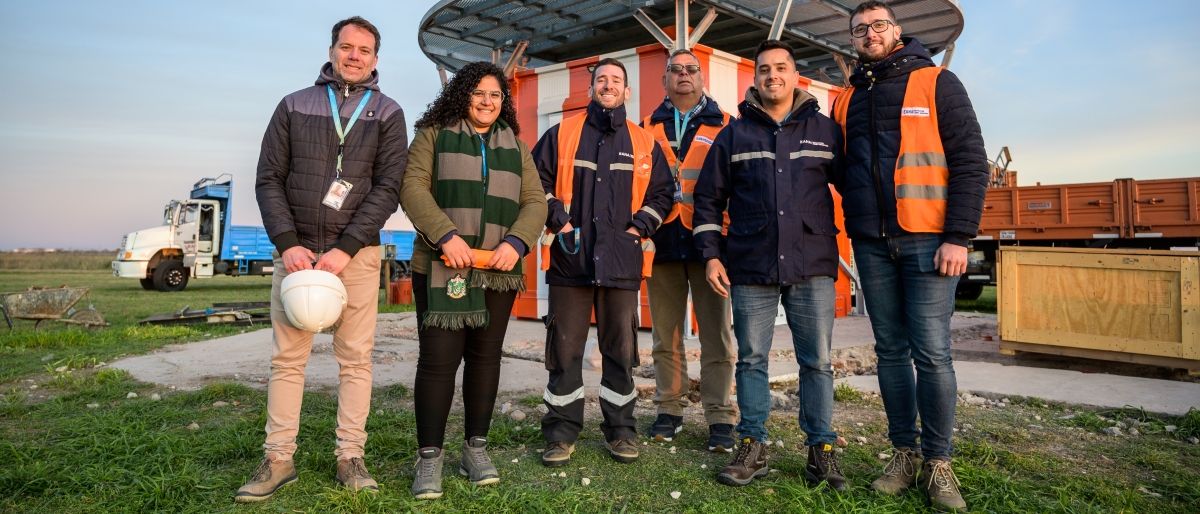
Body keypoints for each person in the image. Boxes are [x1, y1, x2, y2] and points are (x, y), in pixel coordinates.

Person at [237, 16, 406, 503]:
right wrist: (288, 242)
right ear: (332, 50)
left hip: (355, 256)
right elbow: (269, 178)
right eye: (347, 47)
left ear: (376, 59)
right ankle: (278, 458)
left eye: (365, 50)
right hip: (297, 254)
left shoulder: (389, 112)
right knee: (288, 359)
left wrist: (345, 248)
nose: (355, 56)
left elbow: (388, 187)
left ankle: (350, 456)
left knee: (355, 360)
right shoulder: (293, 105)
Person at [830, 2, 988, 511]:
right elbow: (840, 168)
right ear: (853, 39)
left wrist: (958, 236)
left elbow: (970, 163)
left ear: (897, 31)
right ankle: (904, 452)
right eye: (860, 29)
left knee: (933, 352)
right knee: (890, 351)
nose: (869, 34)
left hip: (928, 240)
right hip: (872, 242)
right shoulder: (846, 98)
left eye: (878, 26)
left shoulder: (937, 82)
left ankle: (938, 462)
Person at [693, 40, 846, 490]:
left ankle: (822, 449)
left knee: (817, 361)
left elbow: (854, 188)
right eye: (764, 69)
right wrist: (711, 255)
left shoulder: (824, 130)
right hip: (751, 262)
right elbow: (707, 200)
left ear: (796, 75)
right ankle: (752, 445)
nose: (772, 75)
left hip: (813, 263)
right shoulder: (734, 134)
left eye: (781, 68)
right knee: (752, 359)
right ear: (754, 78)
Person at [399, 61, 547, 500]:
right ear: (462, 94)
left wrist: (517, 244)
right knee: (438, 362)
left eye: (496, 95)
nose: (487, 102)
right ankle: (429, 458)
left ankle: (476, 449)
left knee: (486, 359)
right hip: (441, 265)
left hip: (497, 271)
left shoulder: (516, 147)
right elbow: (412, 187)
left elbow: (535, 201)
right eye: (479, 93)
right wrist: (445, 236)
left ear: (504, 101)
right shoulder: (432, 135)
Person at [534, 57, 674, 467]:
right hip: (569, 262)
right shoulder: (562, 134)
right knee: (564, 351)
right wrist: (558, 222)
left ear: (627, 92)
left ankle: (621, 431)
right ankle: (560, 433)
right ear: (591, 88)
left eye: (616, 80)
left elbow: (663, 194)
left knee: (620, 350)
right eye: (601, 80)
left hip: (622, 263)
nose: (608, 85)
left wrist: (637, 230)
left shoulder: (644, 142)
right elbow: (534, 179)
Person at [640, 49, 737, 452]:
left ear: (702, 78)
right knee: (666, 335)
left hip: (710, 245)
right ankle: (669, 410)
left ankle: (719, 416)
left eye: (691, 69)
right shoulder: (644, 126)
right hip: (661, 242)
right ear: (664, 80)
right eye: (675, 70)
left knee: (717, 336)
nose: (683, 75)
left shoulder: (727, 125)